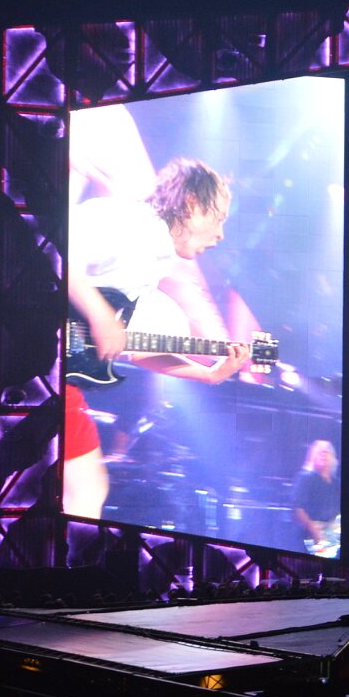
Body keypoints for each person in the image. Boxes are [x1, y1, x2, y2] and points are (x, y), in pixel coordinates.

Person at [65, 158, 249, 521]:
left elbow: (137, 351)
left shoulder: (155, 257)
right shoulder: (131, 222)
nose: (221, 235)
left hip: (56, 379)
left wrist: (209, 374)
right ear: (192, 204)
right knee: (85, 491)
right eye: (219, 218)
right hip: (33, 358)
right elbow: (57, 249)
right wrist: (100, 315)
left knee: (77, 490)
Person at [292, 438, 341, 555]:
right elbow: (298, 508)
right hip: (309, 538)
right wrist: (313, 529)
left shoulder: (337, 483)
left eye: (326, 451)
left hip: (331, 538)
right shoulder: (306, 478)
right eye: (320, 452)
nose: (323, 455)